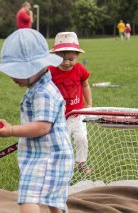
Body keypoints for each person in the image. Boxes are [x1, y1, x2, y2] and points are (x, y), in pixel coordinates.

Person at [0, 29, 75, 213]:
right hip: (57, 155)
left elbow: (42, 126)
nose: (12, 77)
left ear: (32, 68)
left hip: (47, 156)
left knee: (29, 194)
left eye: (16, 72)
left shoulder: (43, 92)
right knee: (56, 197)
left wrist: (12, 131)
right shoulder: (41, 86)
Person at [48, 32, 93, 174]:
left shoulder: (80, 69)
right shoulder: (50, 71)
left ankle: (81, 163)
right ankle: (61, 165)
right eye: (62, 58)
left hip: (78, 114)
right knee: (62, 143)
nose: (66, 62)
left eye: (70, 59)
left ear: (77, 56)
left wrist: (89, 104)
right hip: (60, 116)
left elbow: (85, 86)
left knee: (81, 138)